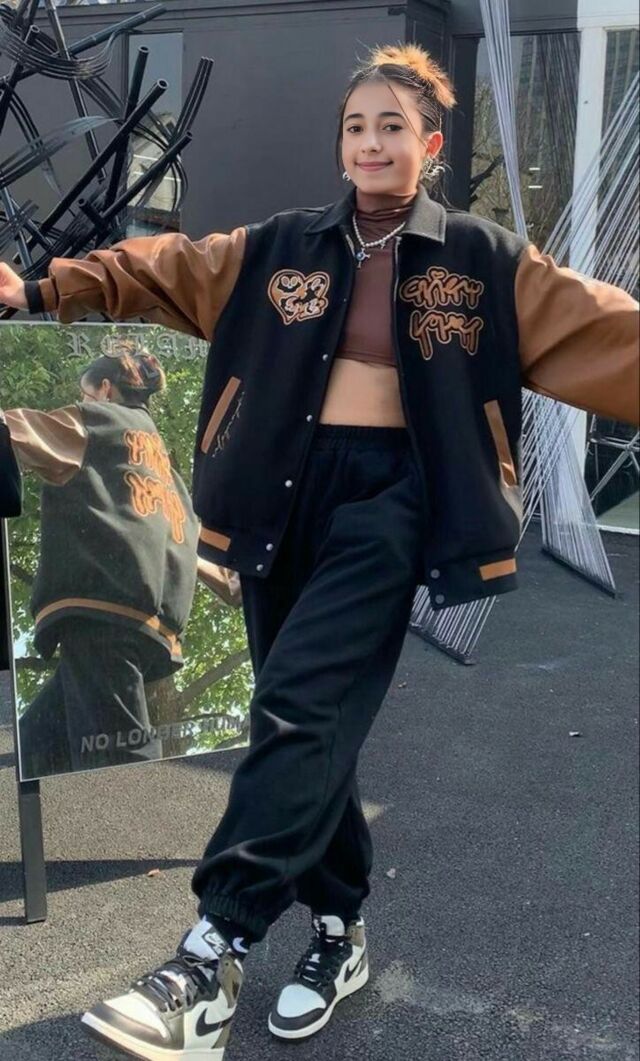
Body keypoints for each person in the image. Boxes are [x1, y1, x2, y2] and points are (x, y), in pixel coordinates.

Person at [1, 42, 638, 1061]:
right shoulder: (279, 245)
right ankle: (340, 930)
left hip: (395, 497)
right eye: (355, 126)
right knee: (309, 718)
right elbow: (159, 269)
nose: (370, 142)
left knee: (300, 703)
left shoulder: (481, 257)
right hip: (280, 495)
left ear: (430, 144)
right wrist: (38, 293)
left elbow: (608, 330)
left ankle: (210, 953)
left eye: (392, 126)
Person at [2, 345, 201, 776]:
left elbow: (15, 429)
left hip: (101, 610)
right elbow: (197, 549)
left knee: (119, 769)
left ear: (105, 389)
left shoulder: (98, 421)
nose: (82, 400)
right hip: (148, 622)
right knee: (34, 748)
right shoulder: (165, 469)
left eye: (85, 392)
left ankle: (146, 822)